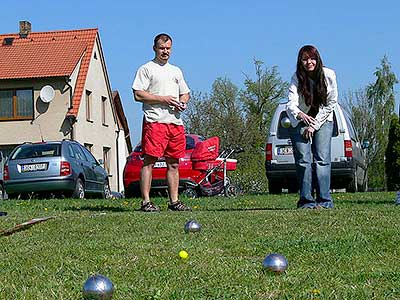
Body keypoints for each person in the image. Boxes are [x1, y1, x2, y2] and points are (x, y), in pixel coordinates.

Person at [132, 33, 191, 212]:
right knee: (149, 161)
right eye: (161, 48)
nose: (165, 52)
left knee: (173, 163)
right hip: (155, 121)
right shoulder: (146, 69)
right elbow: (138, 94)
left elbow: (185, 92)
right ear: (154, 49)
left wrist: (183, 102)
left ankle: (174, 201)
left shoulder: (176, 71)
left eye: (168, 48)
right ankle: (146, 202)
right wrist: (163, 99)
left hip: (175, 122)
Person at [286, 45, 338, 209]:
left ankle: (324, 200)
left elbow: (331, 103)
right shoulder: (296, 78)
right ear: (300, 61)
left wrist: (313, 125)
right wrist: (301, 116)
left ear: (318, 59)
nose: (309, 62)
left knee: (322, 160)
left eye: (312, 58)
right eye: (305, 59)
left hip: (323, 120)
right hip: (300, 119)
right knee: (303, 161)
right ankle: (306, 201)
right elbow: (290, 104)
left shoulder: (329, 75)